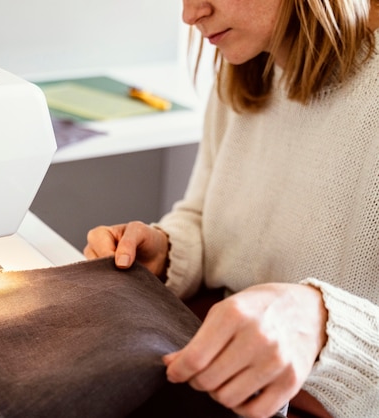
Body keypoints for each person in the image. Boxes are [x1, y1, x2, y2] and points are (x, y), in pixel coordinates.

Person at [84, 0, 379, 417]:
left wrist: (323, 325)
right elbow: (204, 214)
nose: (190, 14)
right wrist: (167, 251)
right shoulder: (246, 67)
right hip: (222, 375)